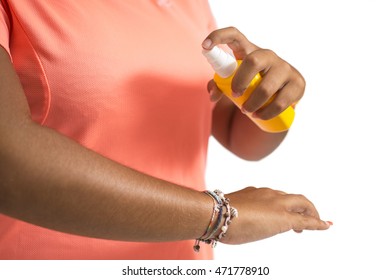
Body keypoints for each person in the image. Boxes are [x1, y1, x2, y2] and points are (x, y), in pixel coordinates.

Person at [0, 0, 330, 260]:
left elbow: (235, 133)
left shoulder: (187, 3)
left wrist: (273, 95)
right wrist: (219, 217)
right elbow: (7, 161)